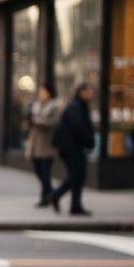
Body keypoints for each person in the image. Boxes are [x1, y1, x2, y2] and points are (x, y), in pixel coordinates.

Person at [48, 82, 96, 216]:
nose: (91, 94)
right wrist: (87, 141)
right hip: (72, 148)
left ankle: (74, 205)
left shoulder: (79, 105)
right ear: (81, 92)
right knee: (76, 176)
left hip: (73, 147)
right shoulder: (76, 106)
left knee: (76, 176)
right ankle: (56, 196)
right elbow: (78, 127)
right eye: (88, 91)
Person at [24, 83, 60, 207]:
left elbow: (53, 122)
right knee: (38, 171)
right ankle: (52, 195)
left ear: (49, 93)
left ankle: (46, 198)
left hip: (47, 144)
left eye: (43, 91)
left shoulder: (54, 106)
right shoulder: (36, 105)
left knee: (45, 173)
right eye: (40, 91)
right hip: (35, 144)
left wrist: (35, 121)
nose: (41, 94)